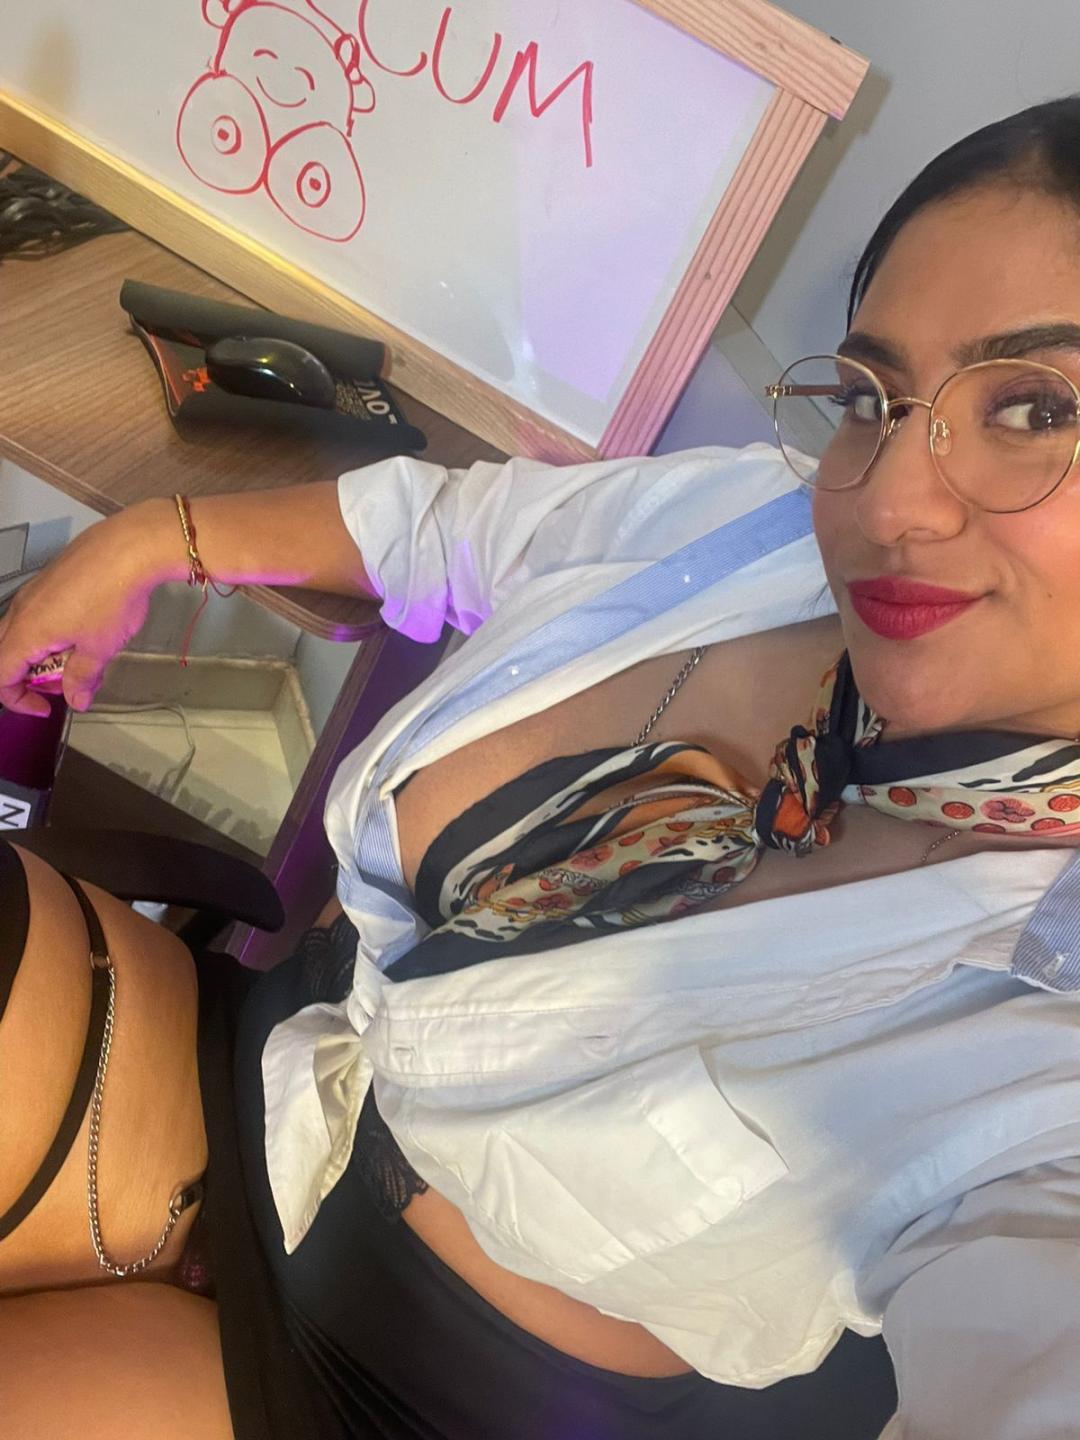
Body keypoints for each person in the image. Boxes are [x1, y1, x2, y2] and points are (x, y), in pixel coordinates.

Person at [2, 94, 1080, 1440]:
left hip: (395, 1395)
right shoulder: (746, 526)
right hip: (262, 1073)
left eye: (1035, 408)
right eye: (874, 399)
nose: (892, 499)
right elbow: (452, 529)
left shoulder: (1050, 1062)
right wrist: (157, 541)